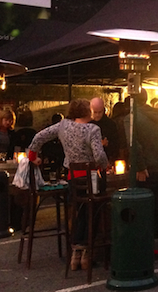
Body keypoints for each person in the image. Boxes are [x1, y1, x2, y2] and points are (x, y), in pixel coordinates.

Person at [27, 99, 109, 271]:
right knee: (93, 211)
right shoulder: (93, 129)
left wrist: (32, 156)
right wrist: (104, 166)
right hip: (92, 178)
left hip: (73, 178)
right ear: (87, 112)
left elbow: (38, 137)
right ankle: (86, 253)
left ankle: (75, 255)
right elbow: (99, 156)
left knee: (79, 212)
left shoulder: (63, 126)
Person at [125, 89, 158, 260]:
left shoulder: (131, 119)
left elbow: (134, 145)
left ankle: (144, 250)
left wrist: (140, 166)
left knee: (140, 212)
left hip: (144, 172)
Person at [90, 97, 120, 163]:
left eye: (100, 112)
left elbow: (116, 144)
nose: (97, 115)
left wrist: (107, 144)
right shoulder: (86, 123)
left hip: (107, 159)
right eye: (95, 112)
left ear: (103, 110)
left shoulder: (110, 124)